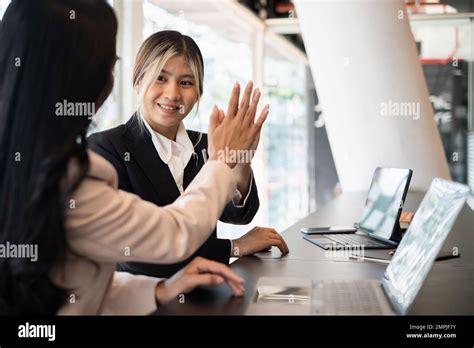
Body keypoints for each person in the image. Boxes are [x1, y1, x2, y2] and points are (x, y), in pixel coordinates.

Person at [0, 0, 266, 315]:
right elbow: (166, 236)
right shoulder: (91, 162)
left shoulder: (32, 164)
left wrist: (160, 289)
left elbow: (69, 280)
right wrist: (222, 162)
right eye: (105, 65)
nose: (173, 93)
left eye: (186, 82)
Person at [88, 30, 289, 278]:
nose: (173, 94)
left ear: (198, 92)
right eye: (160, 78)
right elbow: (135, 253)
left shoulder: (205, 144)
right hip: (143, 303)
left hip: (204, 296)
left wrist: (240, 163)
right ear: (138, 82)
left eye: (186, 82)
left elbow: (239, 215)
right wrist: (234, 247)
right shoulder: (105, 148)